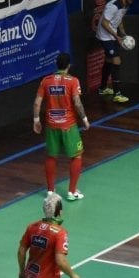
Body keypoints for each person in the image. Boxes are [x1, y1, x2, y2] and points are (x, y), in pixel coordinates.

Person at [33, 52, 90, 202]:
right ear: (69, 65)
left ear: (56, 65)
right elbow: (77, 103)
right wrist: (84, 118)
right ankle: (71, 192)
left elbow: (37, 102)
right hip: (68, 126)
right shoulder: (73, 81)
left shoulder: (46, 81)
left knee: (51, 156)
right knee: (76, 155)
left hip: (51, 126)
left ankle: (51, 191)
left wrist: (36, 120)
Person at [94, 0, 136, 104]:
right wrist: (117, 36)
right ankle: (117, 94)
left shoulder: (126, 5)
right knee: (116, 60)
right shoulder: (114, 6)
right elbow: (104, 23)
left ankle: (102, 88)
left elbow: (119, 19)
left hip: (113, 35)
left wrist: (123, 34)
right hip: (105, 36)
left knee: (109, 60)